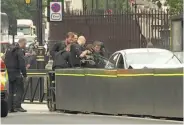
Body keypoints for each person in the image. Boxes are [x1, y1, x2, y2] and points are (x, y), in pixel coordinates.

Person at [4, 38, 27, 112]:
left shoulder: (9, 49)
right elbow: (22, 63)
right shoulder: (19, 51)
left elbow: (5, 60)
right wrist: (24, 74)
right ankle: (17, 106)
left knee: (11, 91)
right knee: (20, 89)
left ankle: (10, 108)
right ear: (22, 43)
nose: (25, 46)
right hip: (16, 72)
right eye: (25, 44)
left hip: (9, 72)